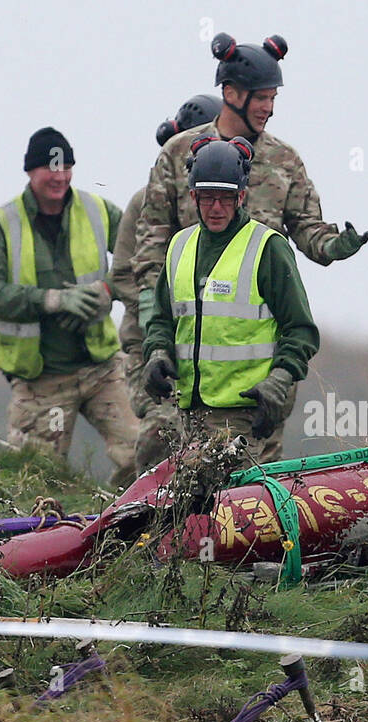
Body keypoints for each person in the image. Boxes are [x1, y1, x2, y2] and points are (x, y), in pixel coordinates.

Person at [127, 33, 368, 472]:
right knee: (163, 456)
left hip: (258, 353)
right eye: (260, 97)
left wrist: (335, 246)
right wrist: (154, 337)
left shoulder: (284, 160)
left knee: (256, 479)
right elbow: (151, 246)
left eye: (272, 98)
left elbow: (308, 231)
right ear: (231, 94)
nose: (268, 108)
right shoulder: (179, 153)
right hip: (187, 350)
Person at [0, 127, 140, 489]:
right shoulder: (3, 225)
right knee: (34, 484)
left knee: (143, 453)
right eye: (50, 167)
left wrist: (108, 290)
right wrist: (52, 300)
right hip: (41, 382)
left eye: (66, 167)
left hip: (103, 370)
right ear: (30, 171)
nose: (59, 176)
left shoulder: (97, 211)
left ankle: (128, 527)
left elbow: (143, 254)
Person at [139, 135, 319, 466]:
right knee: (189, 512)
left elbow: (301, 330)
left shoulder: (268, 248)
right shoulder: (179, 246)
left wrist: (278, 383)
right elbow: (161, 319)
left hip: (242, 417)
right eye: (207, 198)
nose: (217, 208)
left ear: (242, 196)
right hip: (187, 413)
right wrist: (157, 352)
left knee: (232, 513)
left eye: (226, 198)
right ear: (193, 195)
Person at [115, 93, 224, 473]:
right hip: (149, 342)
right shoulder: (144, 204)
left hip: (207, 346)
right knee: (163, 428)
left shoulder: (220, 209)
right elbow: (124, 277)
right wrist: (163, 309)